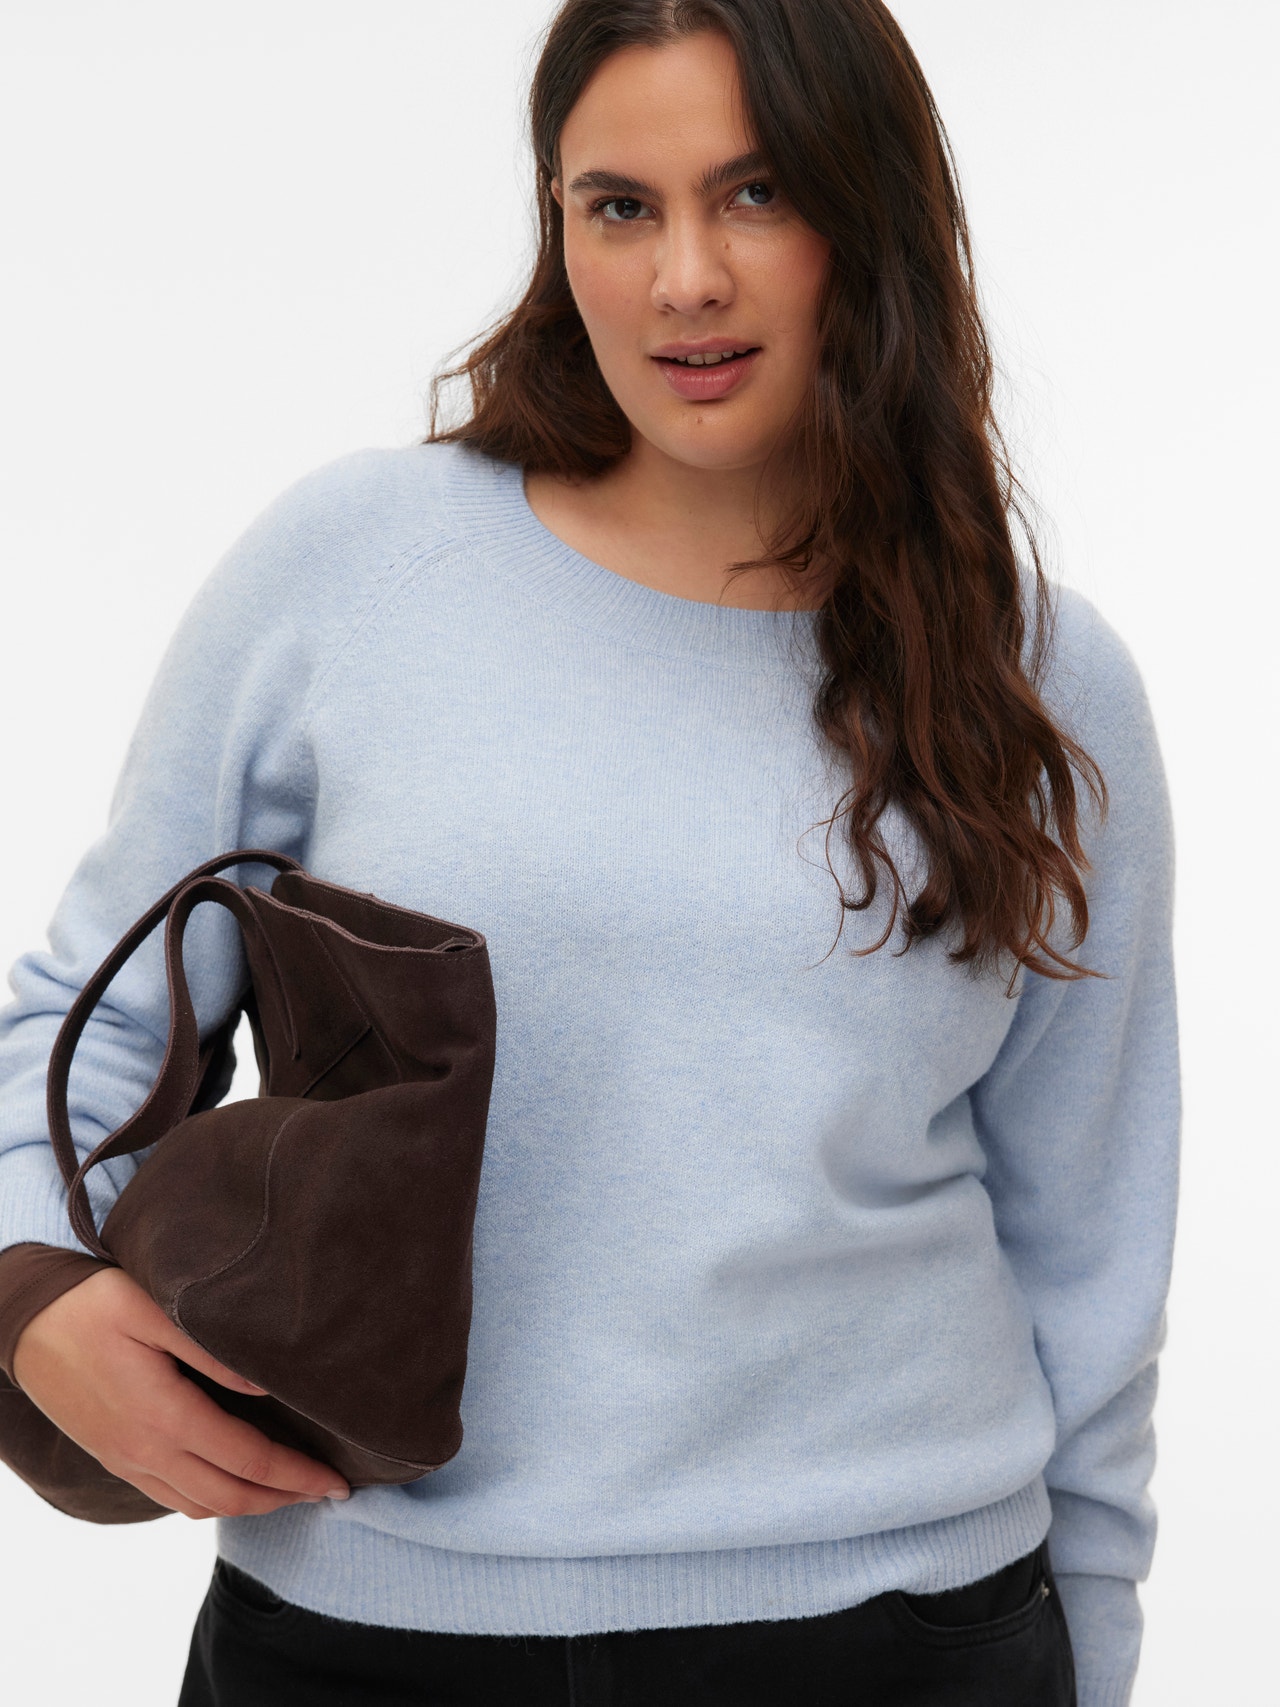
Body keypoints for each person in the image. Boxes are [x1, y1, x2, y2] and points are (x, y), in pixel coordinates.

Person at [0, 2, 1177, 1704]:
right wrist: (29, 1292)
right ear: (558, 230)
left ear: (873, 216)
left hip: (902, 1637)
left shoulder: (1042, 683)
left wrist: (1102, 1646)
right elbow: (89, 1018)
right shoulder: (354, 571)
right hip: (364, 1640)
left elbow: (1093, 1250)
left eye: (758, 193)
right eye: (620, 206)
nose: (685, 278)